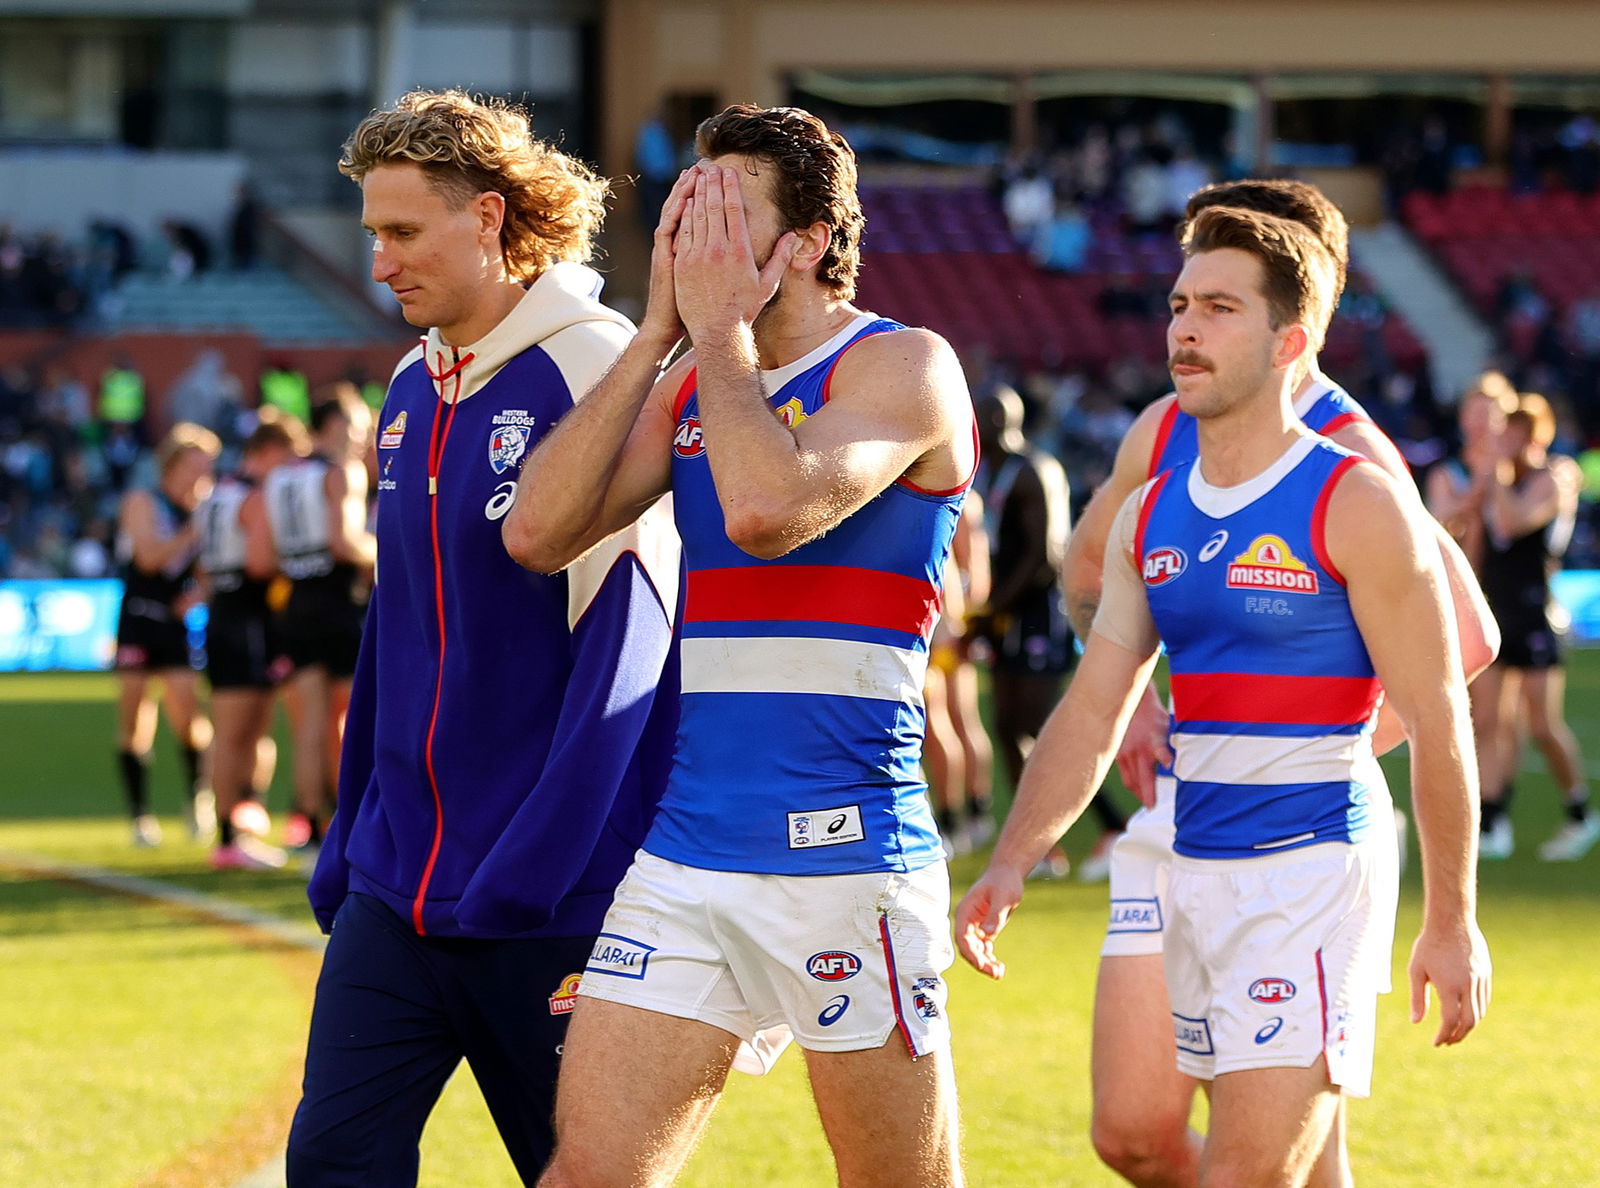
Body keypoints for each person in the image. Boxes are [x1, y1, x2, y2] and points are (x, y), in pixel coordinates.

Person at [958, 205, 1492, 1186]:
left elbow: (1444, 717)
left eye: (1217, 308)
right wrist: (1009, 862)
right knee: (1137, 1136)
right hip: (1185, 854)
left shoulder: (1358, 497)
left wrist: (1450, 920)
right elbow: (1090, 708)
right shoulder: (1153, 505)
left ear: (1292, 340)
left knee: (1250, 1174)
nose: (1183, 329)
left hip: (1309, 872)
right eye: (1176, 306)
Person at [505, 104, 974, 1187]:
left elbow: (768, 508)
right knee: (585, 1175)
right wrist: (657, 336)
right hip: (685, 858)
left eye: (725, 216)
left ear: (806, 243)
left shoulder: (905, 366)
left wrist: (713, 338)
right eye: (684, 214)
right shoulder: (689, 375)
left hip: (846, 862)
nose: (693, 237)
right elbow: (536, 533)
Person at [285, 89, 681, 1186]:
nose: (380, 262)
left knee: (581, 1175)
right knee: (332, 1165)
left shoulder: (597, 367)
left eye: (402, 232)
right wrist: (351, 826)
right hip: (396, 888)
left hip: (550, 903)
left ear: (491, 219)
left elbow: (633, 642)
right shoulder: (412, 385)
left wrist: (537, 868)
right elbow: (393, 633)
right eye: (373, 233)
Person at [970, 384, 1125, 880]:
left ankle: (1115, 830)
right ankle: (1039, 850)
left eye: (983, 415)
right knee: (1009, 728)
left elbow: (1043, 555)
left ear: (1002, 422)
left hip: (1038, 615)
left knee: (1044, 730)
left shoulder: (1035, 469)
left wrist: (993, 607)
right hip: (1005, 617)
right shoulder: (990, 471)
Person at [1474, 393, 1599, 861]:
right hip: (1499, 607)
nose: (1499, 439)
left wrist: (1495, 477)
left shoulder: (1554, 478)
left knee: (1543, 725)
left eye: (1509, 432)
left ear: (1530, 436)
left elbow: (1512, 521)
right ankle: (1493, 819)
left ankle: (1580, 813)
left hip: (1536, 613)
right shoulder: (1503, 476)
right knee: (1491, 722)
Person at [263, 388, 375, 853]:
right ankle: (347, 822)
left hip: (296, 595)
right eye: (356, 424)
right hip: (336, 596)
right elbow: (344, 542)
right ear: (332, 425)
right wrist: (386, 553)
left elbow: (269, 549)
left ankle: (309, 820)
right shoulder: (339, 472)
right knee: (349, 717)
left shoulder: (282, 475)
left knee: (310, 721)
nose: (364, 434)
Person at [197, 408, 307, 869]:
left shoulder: (216, 493)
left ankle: (236, 828)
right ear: (267, 453)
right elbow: (262, 563)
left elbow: (205, 565)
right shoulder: (257, 497)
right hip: (248, 617)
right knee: (240, 733)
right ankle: (229, 835)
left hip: (224, 613)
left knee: (240, 732)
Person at [112, 422, 220, 846]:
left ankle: (199, 797)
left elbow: (207, 572)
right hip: (138, 617)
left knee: (189, 715)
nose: (203, 473)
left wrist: (200, 595)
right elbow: (150, 558)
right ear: (175, 464)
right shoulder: (145, 502)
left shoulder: (204, 507)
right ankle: (140, 815)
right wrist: (192, 532)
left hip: (173, 624)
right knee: (134, 716)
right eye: (198, 464)